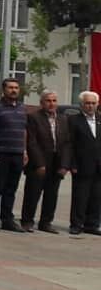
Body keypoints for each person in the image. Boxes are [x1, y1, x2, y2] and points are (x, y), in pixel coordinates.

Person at [21, 90, 67, 233]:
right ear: (41, 103)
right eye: (48, 101)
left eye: (54, 101)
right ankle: (27, 221)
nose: (51, 104)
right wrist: (40, 163)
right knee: (32, 193)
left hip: (56, 162)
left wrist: (64, 165)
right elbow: (32, 142)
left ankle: (46, 222)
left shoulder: (63, 119)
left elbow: (67, 143)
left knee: (51, 194)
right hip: (38, 162)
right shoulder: (33, 117)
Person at [0, 78, 28, 232]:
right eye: (10, 87)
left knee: (11, 188)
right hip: (1, 153)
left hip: (17, 153)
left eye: (16, 88)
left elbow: (24, 130)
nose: (14, 90)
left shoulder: (22, 108)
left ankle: (7, 219)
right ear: (3, 90)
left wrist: (24, 151)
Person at [63, 91, 101, 235]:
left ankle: (92, 224)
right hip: (81, 165)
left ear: (97, 104)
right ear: (81, 105)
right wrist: (71, 164)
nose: (90, 106)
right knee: (80, 196)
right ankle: (76, 224)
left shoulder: (99, 119)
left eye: (93, 103)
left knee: (96, 197)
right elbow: (69, 144)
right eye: (87, 103)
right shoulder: (73, 120)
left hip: (98, 166)